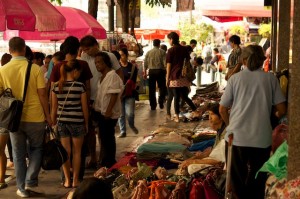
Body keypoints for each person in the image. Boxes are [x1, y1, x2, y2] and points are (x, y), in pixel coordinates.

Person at [219, 45, 286, 199]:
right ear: (263, 60)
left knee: (237, 181)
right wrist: (272, 114)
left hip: (237, 138)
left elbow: (222, 109)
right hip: (262, 138)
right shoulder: (270, 78)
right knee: (258, 180)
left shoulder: (235, 79)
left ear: (243, 60)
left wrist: (231, 125)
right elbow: (282, 109)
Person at [0, 37, 52, 197]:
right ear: (24, 49)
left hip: (13, 119)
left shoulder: (2, 70)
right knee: (37, 149)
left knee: (18, 154)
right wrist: (48, 116)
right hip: (35, 116)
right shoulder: (35, 68)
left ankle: (22, 189)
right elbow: (43, 95)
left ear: (10, 50)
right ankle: (30, 179)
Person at [50, 36, 93, 182]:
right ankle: (76, 180)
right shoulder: (83, 65)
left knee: (65, 151)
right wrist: (86, 120)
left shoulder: (57, 68)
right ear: (77, 49)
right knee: (78, 152)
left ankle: (66, 179)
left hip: (62, 120)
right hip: (78, 118)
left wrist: (52, 119)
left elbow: (53, 99)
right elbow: (88, 88)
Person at [80, 35, 123, 167]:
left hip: (107, 107)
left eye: (88, 49)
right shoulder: (85, 57)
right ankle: (98, 158)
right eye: (84, 50)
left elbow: (115, 90)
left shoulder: (110, 61)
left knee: (106, 135)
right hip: (96, 102)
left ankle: (107, 160)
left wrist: (110, 108)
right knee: (96, 132)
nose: (86, 52)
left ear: (95, 45)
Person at [93, 52, 123, 168]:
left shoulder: (112, 75)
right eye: (96, 63)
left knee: (108, 137)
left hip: (109, 113)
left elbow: (114, 95)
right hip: (101, 111)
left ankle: (110, 161)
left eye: (99, 62)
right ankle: (107, 160)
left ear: (106, 62)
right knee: (104, 137)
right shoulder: (102, 77)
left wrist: (109, 111)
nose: (97, 65)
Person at [166, 32, 197, 122]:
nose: (168, 41)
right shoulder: (184, 49)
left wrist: (167, 78)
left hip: (174, 76)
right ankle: (195, 110)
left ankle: (176, 115)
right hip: (183, 76)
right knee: (184, 95)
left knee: (176, 96)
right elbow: (187, 62)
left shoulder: (171, 50)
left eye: (168, 40)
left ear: (171, 39)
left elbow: (169, 65)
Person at [118, 48, 139, 138]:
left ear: (126, 55)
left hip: (130, 93)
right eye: (119, 55)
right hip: (119, 93)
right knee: (121, 114)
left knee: (130, 113)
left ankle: (131, 125)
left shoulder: (133, 67)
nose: (120, 57)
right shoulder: (116, 67)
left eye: (122, 55)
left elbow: (136, 81)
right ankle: (123, 131)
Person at [0, 53, 13, 190]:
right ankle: (1, 178)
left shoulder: (4, 75)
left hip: (4, 118)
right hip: (5, 117)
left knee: (0, 149)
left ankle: (1, 179)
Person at [143, 39, 167, 110]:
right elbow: (165, 63)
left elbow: (145, 64)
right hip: (160, 71)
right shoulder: (162, 52)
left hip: (151, 72)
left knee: (152, 89)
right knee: (162, 87)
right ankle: (161, 99)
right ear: (159, 44)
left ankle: (153, 105)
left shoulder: (148, 52)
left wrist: (145, 73)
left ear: (153, 44)